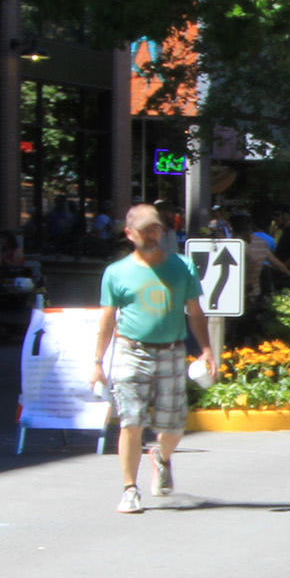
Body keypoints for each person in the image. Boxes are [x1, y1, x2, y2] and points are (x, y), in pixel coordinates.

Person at [90, 204, 215, 514]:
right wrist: (97, 363)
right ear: (129, 233)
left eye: (156, 228)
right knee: (131, 421)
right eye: (144, 229)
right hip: (130, 351)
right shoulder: (116, 272)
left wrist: (206, 349)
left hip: (171, 351)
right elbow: (107, 321)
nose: (151, 234)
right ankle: (129, 489)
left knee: (173, 426)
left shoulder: (182, 266)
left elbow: (195, 312)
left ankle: (161, 456)